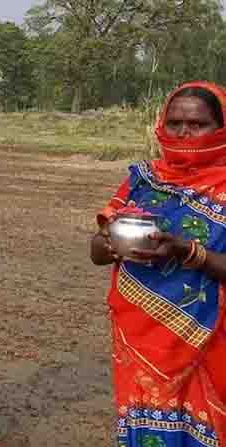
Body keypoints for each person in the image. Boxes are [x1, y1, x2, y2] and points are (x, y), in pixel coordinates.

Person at [90, 81, 226, 447]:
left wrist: (186, 251)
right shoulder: (142, 180)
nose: (184, 132)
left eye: (198, 125)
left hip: (210, 339)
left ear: (221, 128)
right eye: (175, 123)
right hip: (140, 338)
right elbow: (96, 250)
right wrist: (112, 245)